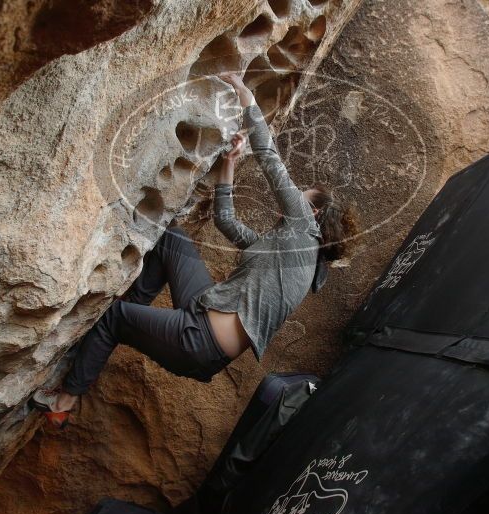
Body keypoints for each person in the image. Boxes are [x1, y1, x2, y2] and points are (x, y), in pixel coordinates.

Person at [31, 72, 359, 426]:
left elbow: (269, 156)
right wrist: (228, 167)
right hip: (205, 315)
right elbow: (227, 224)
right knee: (172, 238)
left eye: (301, 198)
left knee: (112, 318)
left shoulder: (303, 231)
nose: (290, 202)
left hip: (199, 340)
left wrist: (244, 91)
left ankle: (63, 403)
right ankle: (135, 314)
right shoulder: (287, 255)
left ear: (312, 213)